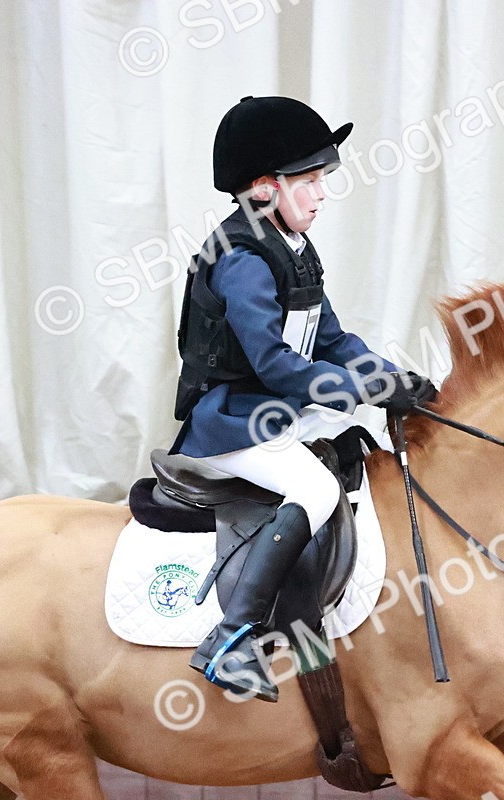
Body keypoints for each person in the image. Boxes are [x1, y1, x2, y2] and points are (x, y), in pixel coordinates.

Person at [170, 95, 435, 702]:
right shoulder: (241, 260)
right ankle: (231, 639)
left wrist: (395, 379)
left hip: (277, 413)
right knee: (315, 490)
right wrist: (361, 388)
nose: (322, 195)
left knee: (354, 450)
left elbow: (333, 340)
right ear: (265, 189)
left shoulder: (293, 248)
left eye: (321, 180)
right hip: (231, 422)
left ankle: (313, 629)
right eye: (309, 182)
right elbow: (274, 363)